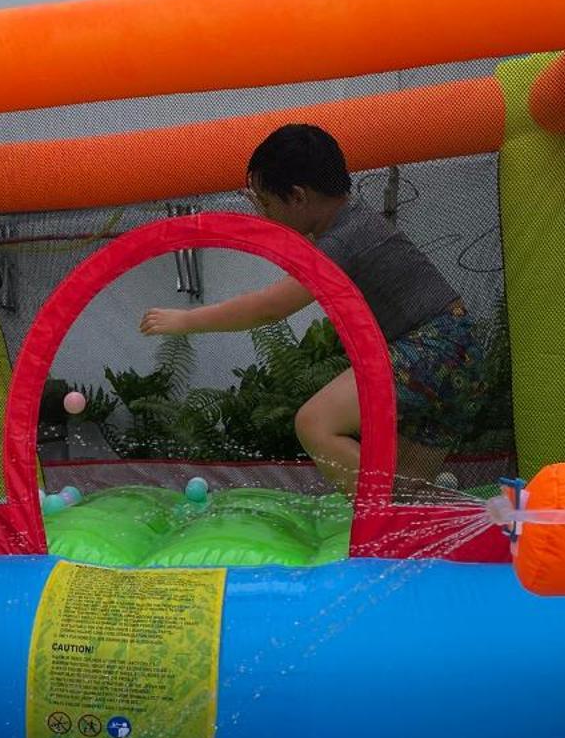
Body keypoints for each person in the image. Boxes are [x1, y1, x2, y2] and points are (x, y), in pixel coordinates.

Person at [138, 123, 482, 493]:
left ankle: (385, 521)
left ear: (299, 197)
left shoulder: (345, 239)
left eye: (268, 204)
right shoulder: (353, 223)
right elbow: (300, 249)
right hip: (460, 353)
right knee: (409, 491)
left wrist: (185, 319)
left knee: (315, 423)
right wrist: (276, 218)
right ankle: (428, 525)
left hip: (433, 348)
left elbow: (270, 307)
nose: (266, 216)